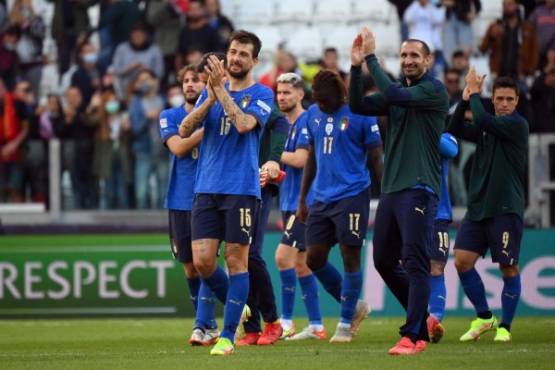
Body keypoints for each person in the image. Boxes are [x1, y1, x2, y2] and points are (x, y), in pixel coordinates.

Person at [349, 28, 448, 355]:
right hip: (391, 189)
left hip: (419, 187)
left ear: (428, 61)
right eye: (404, 55)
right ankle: (423, 319)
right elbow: (358, 105)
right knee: (383, 260)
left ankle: (414, 335)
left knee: (415, 262)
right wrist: (354, 69)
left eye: (414, 56)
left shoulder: (433, 90)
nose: (408, 60)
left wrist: (371, 58)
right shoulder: (395, 95)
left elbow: (396, 95)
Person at [178, 30, 274, 356]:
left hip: (241, 190)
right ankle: (239, 306)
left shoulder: (263, 94)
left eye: (243, 54)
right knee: (203, 263)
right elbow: (184, 129)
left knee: (237, 262)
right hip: (205, 187)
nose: (235, 58)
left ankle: (228, 336)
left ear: (254, 61)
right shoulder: (211, 93)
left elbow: (245, 124)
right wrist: (209, 97)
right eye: (232, 52)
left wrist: (221, 91)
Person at [297, 70, 383, 343]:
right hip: (321, 198)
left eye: (325, 102)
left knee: (349, 255)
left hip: (353, 194)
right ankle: (356, 306)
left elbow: (375, 156)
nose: (321, 106)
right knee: (314, 259)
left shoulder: (360, 112)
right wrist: (303, 198)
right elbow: (312, 156)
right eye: (318, 101)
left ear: (340, 95)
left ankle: (345, 323)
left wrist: (384, 197)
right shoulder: (312, 114)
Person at [448, 70, 528, 343]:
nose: (504, 103)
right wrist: (465, 97)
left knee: (508, 268)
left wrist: (474, 93)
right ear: (493, 100)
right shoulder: (488, 126)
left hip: (506, 208)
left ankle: (505, 326)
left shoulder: (517, 126)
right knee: (461, 261)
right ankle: (484, 317)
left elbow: (481, 119)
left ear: (516, 101)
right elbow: (454, 128)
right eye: (500, 99)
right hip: (479, 208)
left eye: (509, 99)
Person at [159, 64, 219, 346]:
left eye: (196, 80)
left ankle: (200, 326)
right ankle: (208, 325)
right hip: (179, 199)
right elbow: (179, 148)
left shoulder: (217, 115)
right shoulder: (169, 116)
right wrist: (205, 132)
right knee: (189, 268)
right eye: (186, 81)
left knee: (204, 262)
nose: (190, 85)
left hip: (209, 196)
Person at [273, 72, 325, 341]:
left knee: (282, 257)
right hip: (288, 199)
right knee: (302, 265)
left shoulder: (306, 121)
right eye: (279, 93)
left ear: (300, 95)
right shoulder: (284, 124)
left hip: (303, 203)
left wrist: (271, 152)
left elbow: (302, 159)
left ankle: (286, 321)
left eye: (287, 93)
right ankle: (316, 325)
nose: (281, 97)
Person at [236, 104, 288, 346]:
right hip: (229, 185)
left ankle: (272, 321)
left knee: (251, 253)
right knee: (237, 256)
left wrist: (273, 159)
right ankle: (252, 328)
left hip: (258, 183)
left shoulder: (255, 96)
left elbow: (280, 122)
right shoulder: (214, 99)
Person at [426, 132, 458, 343]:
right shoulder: (404, 137)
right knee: (414, 268)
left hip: (439, 215)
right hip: (411, 213)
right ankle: (421, 318)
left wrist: (424, 130)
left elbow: (452, 150)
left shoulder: (444, 137)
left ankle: (434, 320)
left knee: (436, 267)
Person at [128, 69, 166, 209]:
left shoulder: (164, 100)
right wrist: (147, 117)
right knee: (141, 193)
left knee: (164, 191)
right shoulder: (135, 103)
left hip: (163, 151)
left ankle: (164, 227)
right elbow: (135, 129)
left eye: (147, 79)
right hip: (143, 151)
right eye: (140, 80)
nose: (144, 83)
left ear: (155, 81)